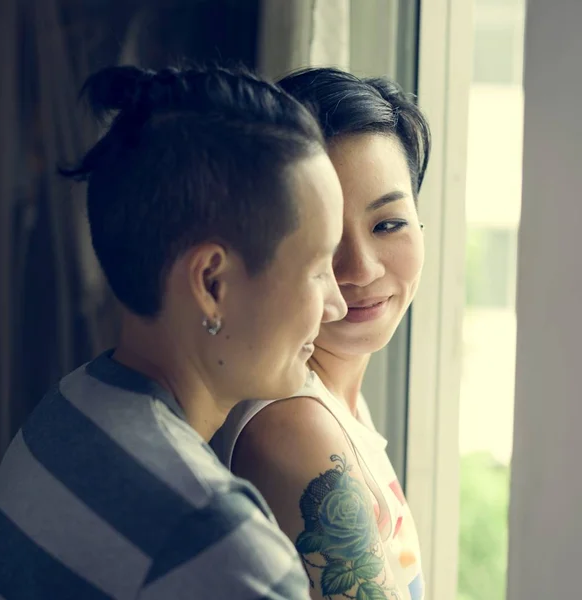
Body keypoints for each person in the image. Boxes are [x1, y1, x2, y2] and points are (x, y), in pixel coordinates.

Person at [0, 64, 347, 600]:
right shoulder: (219, 542)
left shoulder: (59, 415)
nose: (336, 303)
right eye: (317, 268)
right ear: (212, 283)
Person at [212, 67, 431, 600]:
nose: (360, 269)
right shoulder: (296, 429)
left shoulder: (337, 398)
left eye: (387, 224)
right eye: (326, 238)